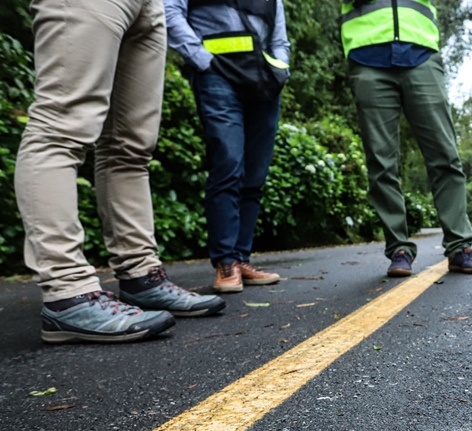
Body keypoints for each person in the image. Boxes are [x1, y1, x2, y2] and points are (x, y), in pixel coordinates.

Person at [15, 0, 225, 344]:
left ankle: (142, 276)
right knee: (61, 127)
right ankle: (68, 293)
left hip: (149, 5)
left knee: (131, 146)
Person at [340, 0, 472, 278]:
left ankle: (459, 247)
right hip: (367, 57)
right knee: (381, 162)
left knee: (445, 155)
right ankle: (399, 249)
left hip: (421, 54)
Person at [164, 0, 289, 293]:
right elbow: (170, 11)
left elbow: (279, 36)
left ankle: (242, 259)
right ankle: (226, 262)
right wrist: (201, 59)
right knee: (228, 164)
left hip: (264, 81)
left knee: (255, 175)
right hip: (218, 77)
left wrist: (281, 69)